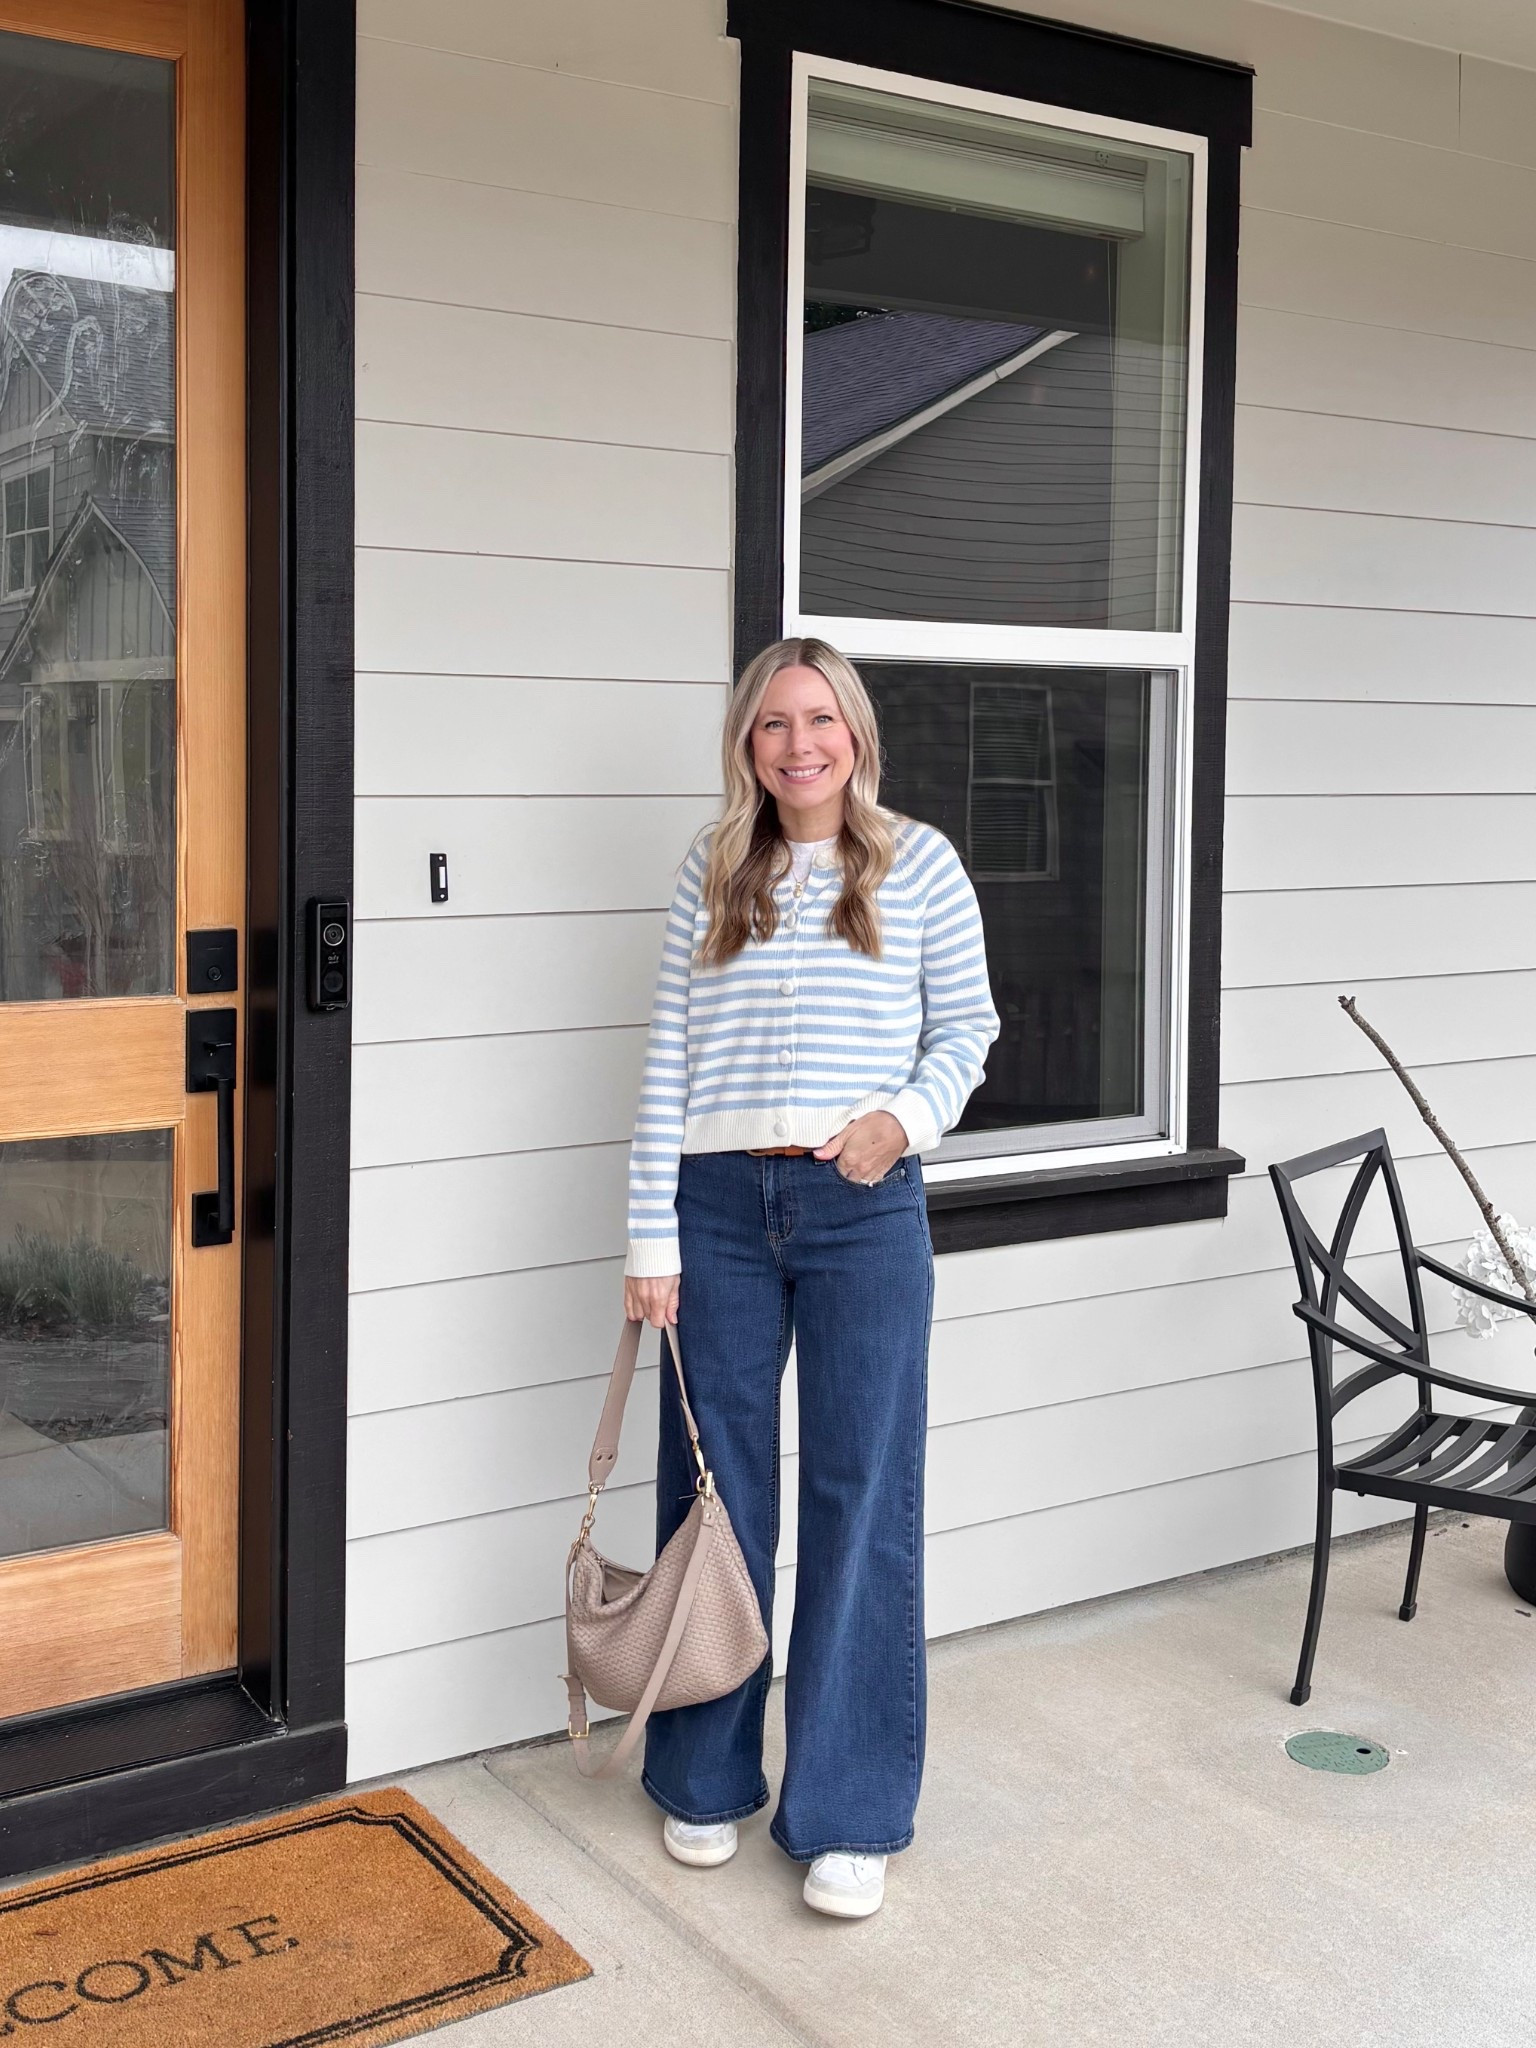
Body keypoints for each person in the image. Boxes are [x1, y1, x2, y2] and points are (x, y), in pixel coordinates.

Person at [623, 636, 998, 1918]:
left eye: (820, 719)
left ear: (856, 734)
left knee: (862, 1495)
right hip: (719, 1209)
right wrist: (651, 1236)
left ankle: (847, 1810)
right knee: (715, 1495)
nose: (800, 744)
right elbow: (669, 1056)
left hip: (862, 1206)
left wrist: (904, 1120)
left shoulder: (920, 863)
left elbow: (967, 1029)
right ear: (749, 742)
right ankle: (704, 1775)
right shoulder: (713, 867)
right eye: (775, 722)